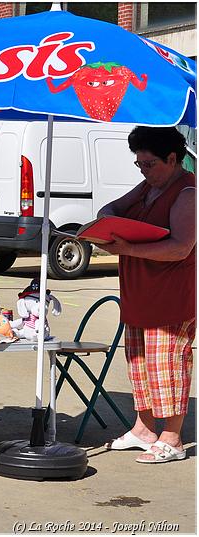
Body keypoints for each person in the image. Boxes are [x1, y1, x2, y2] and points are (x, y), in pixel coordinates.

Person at [99, 126, 195, 464]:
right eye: (139, 164)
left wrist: (127, 247)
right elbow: (109, 209)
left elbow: (181, 248)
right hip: (139, 293)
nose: (143, 170)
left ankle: (173, 437)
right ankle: (143, 428)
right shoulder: (149, 186)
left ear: (172, 158)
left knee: (168, 365)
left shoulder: (187, 193)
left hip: (170, 297)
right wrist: (107, 224)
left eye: (149, 164)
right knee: (139, 364)